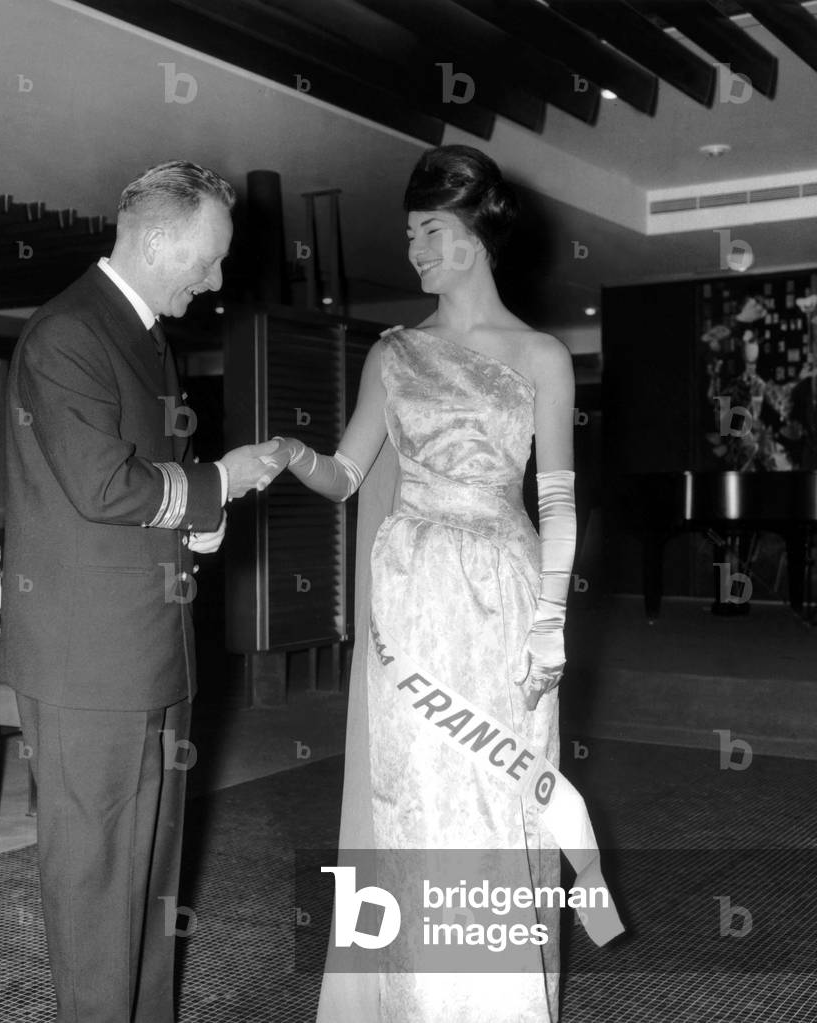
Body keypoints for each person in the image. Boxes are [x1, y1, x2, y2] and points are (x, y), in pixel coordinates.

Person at [272, 145, 621, 1022]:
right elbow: (348, 476)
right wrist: (289, 454)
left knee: (498, 800)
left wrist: (552, 622)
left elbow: (561, 505)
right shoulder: (392, 356)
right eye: (411, 233)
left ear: (474, 235)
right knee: (419, 797)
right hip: (413, 591)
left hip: (503, 592)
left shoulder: (541, 356)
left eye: (430, 230)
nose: (416, 249)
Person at [0, 160, 288, 1023]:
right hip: (91, 666)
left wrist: (199, 521)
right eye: (210, 257)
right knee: (96, 886)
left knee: (153, 883)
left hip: (150, 651)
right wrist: (219, 485)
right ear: (161, 243)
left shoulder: (142, 335)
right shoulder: (68, 334)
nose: (218, 278)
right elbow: (101, 485)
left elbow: (141, 488)